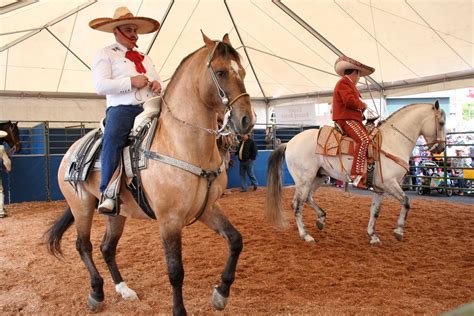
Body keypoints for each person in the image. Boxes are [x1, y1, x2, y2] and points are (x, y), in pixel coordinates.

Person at [89, 7, 162, 214]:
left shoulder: (144, 57)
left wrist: (157, 84)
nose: (134, 34)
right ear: (116, 31)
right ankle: (108, 192)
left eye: (135, 30)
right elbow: (100, 85)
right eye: (129, 29)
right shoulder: (105, 54)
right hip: (123, 108)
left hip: (151, 106)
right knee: (113, 139)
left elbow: (158, 78)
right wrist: (131, 81)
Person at [332, 55, 375, 189]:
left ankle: (368, 174)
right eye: (359, 75)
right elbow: (349, 101)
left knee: (368, 138)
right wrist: (363, 105)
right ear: (355, 73)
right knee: (364, 140)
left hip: (351, 119)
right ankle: (356, 175)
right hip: (346, 119)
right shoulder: (344, 83)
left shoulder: (347, 84)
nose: (359, 78)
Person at [0, 131, 12, 218]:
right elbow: (7, 161)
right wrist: (8, 169)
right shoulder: (1, 148)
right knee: (0, 191)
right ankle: (0, 211)